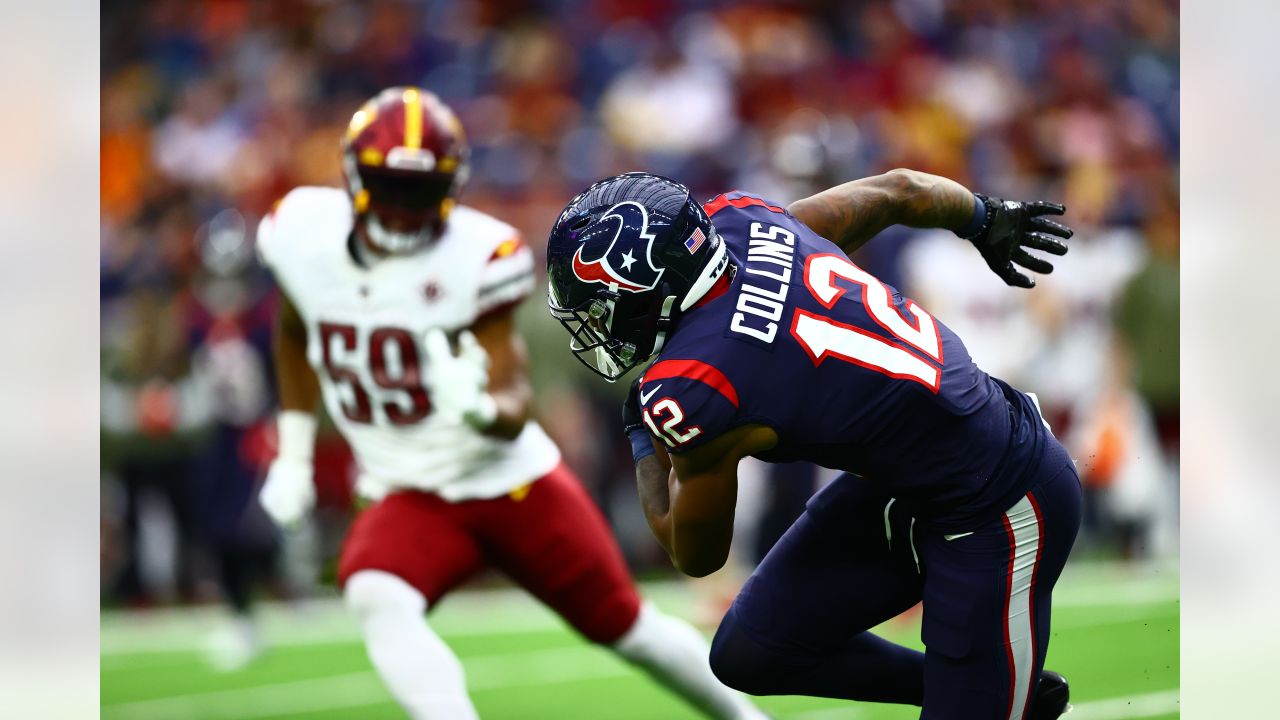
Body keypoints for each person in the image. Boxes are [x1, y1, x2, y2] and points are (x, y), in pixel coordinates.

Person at [255, 88, 766, 720]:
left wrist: (478, 407)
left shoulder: (479, 254)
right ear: (354, 178)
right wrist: (295, 453)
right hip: (408, 491)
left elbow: (514, 400)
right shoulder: (301, 233)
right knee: (375, 592)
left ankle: (747, 718)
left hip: (510, 483)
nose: (408, 210)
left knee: (627, 628)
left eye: (422, 191)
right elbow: (295, 326)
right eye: (392, 187)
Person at [545, 171, 1083, 719]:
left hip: (1001, 502)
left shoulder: (696, 384)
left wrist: (641, 438)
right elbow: (900, 191)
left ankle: (979, 692)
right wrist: (983, 217)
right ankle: (975, 689)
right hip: (912, 482)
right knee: (751, 651)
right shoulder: (743, 220)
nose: (593, 322)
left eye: (597, 304)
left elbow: (696, 554)